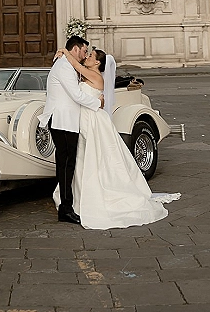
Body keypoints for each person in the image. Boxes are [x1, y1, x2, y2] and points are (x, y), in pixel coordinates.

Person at [53, 46, 180, 229]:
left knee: (95, 157)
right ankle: (74, 196)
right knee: (82, 156)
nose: (87, 57)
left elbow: (76, 66)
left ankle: (93, 195)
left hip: (93, 120)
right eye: (87, 54)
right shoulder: (88, 73)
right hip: (84, 119)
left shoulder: (95, 77)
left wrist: (65, 52)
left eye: (90, 56)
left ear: (97, 62)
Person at [38, 35, 102, 224]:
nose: (84, 55)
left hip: (66, 121)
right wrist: (97, 102)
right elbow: (76, 95)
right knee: (66, 165)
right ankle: (66, 208)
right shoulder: (64, 66)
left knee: (67, 165)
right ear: (75, 49)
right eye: (83, 51)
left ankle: (66, 206)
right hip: (62, 121)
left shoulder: (66, 63)